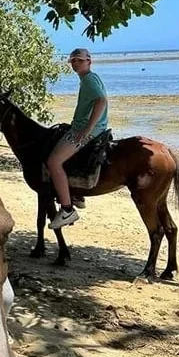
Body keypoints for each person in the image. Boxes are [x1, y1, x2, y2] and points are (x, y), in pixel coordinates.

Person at [47, 48, 108, 229]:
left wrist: (87, 129)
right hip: (89, 128)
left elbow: (101, 101)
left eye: (79, 60)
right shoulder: (90, 78)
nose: (75, 64)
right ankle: (75, 193)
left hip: (85, 131)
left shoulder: (89, 80)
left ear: (89, 61)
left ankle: (67, 209)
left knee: (53, 162)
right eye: (73, 61)